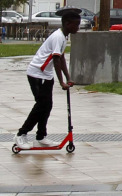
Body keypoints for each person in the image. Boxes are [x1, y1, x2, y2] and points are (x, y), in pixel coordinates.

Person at [15, 8, 78, 148]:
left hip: (46, 76)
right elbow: (56, 60)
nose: (78, 28)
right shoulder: (58, 37)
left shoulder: (63, 37)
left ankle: (41, 137)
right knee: (41, 106)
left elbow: (61, 58)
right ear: (67, 24)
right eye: (76, 25)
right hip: (37, 74)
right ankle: (21, 134)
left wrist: (68, 78)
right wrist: (61, 82)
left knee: (47, 106)